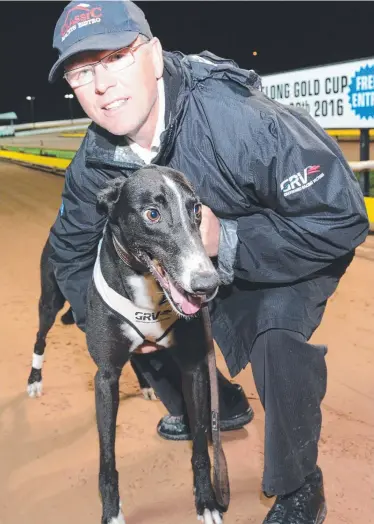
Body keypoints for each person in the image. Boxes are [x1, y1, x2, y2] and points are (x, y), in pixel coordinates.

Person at [47, 1, 369, 522]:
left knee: (275, 336)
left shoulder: (239, 119)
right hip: (184, 265)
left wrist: (229, 240)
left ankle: (300, 487)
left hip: (284, 244)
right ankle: (222, 400)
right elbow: (69, 249)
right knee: (130, 321)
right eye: (82, 71)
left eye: (116, 58)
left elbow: (341, 217)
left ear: (152, 56)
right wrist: (103, 321)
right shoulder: (94, 162)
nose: (101, 83)